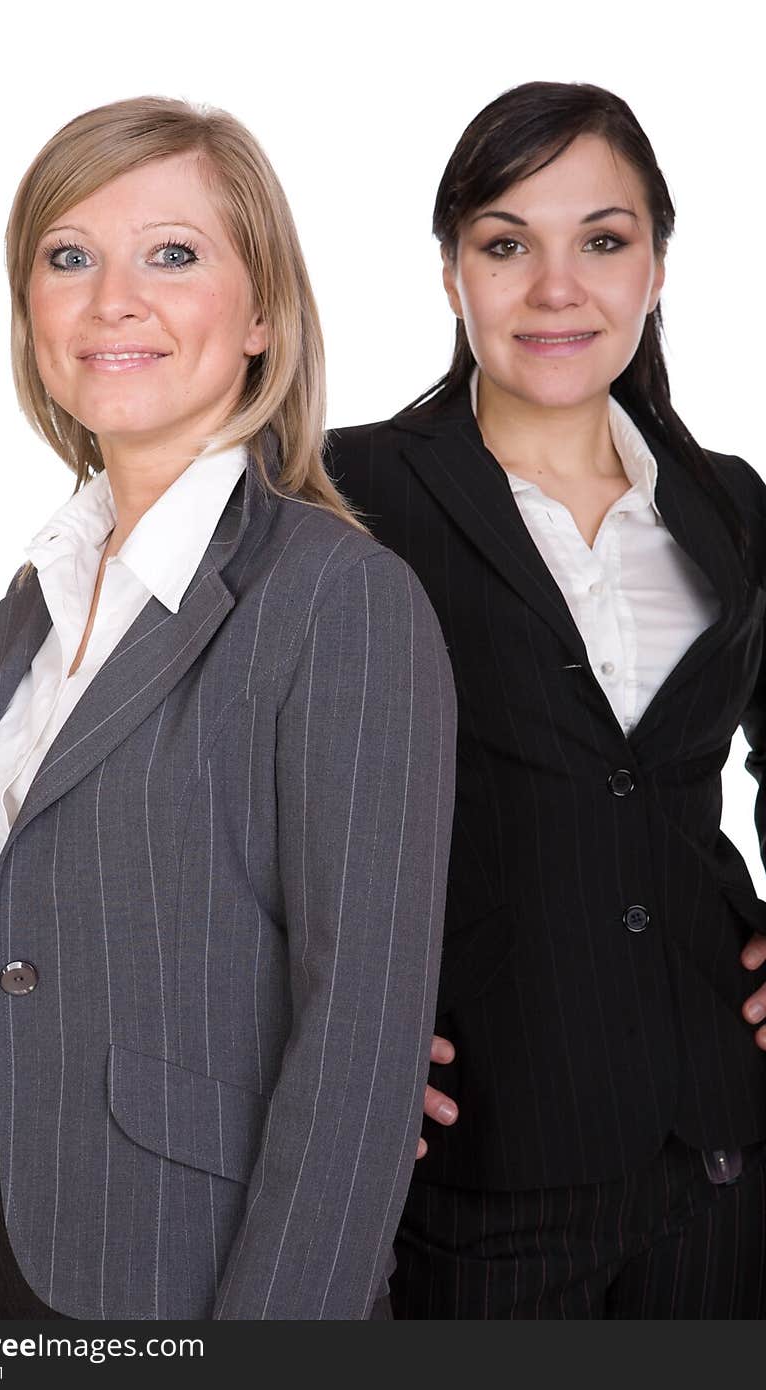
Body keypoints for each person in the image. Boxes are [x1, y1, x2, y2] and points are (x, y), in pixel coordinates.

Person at [0, 95, 456, 1321]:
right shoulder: (38, 595)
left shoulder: (339, 599)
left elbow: (360, 1042)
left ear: (261, 315)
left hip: (182, 1262)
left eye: (174, 254)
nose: (112, 300)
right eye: (69, 257)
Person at [327, 80, 766, 1318]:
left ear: (657, 268)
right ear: (452, 273)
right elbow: (228, 781)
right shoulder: (340, 494)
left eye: (603, 241)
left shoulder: (730, 501)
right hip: (478, 1165)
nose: (555, 287)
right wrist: (313, 1036)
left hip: (721, 1151)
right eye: (506, 244)